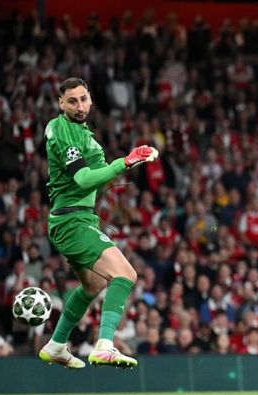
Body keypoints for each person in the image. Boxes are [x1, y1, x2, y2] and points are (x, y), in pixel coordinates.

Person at [38, 77, 158, 369]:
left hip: (79, 218)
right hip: (71, 222)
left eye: (83, 99)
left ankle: (56, 345)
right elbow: (83, 179)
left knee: (92, 286)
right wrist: (124, 162)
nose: (80, 106)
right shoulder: (61, 131)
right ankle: (104, 345)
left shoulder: (86, 137)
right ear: (61, 103)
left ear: (91, 99)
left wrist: (130, 163)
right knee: (125, 275)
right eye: (72, 101)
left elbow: (100, 177)